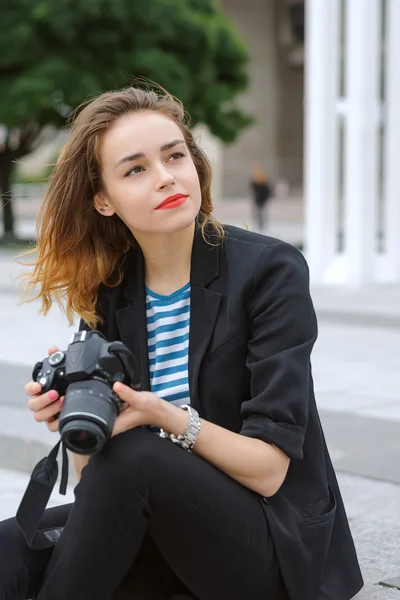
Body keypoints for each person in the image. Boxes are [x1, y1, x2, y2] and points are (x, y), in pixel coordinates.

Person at [0, 85, 363, 600]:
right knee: (9, 547)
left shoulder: (268, 270)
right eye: (135, 169)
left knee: (136, 458)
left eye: (174, 155)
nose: (166, 175)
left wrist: (162, 415)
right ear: (102, 199)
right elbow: (96, 485)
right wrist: (79, 424)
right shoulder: (111, 292)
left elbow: (268, 471)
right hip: (163, 525)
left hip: (269, 545)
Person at [250, 164, 273, 233]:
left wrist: (265, 199)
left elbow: (268, 192)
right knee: (256, 213)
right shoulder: (255, 183)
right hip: (257, 200)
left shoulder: (265, 183)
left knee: (261, 214)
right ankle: (258, 225)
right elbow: (253, 187)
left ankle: (262, 226)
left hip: (262, 201)